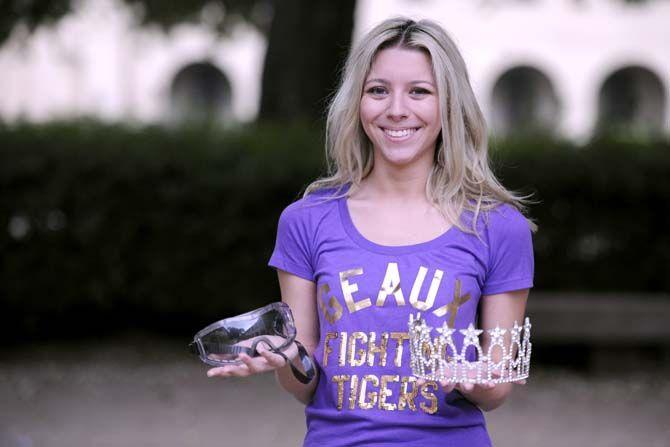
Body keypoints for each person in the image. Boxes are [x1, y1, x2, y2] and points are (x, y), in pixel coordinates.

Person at [207, 17, 535, 447]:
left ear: (449, 104)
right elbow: (304, 386)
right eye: (378, 90)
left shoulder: (498, 226)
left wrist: (473, 379)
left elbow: (497, 391)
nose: (396, 109)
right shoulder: (306, 220)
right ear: (357, 102)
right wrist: (287, 358)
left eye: (419, 91)